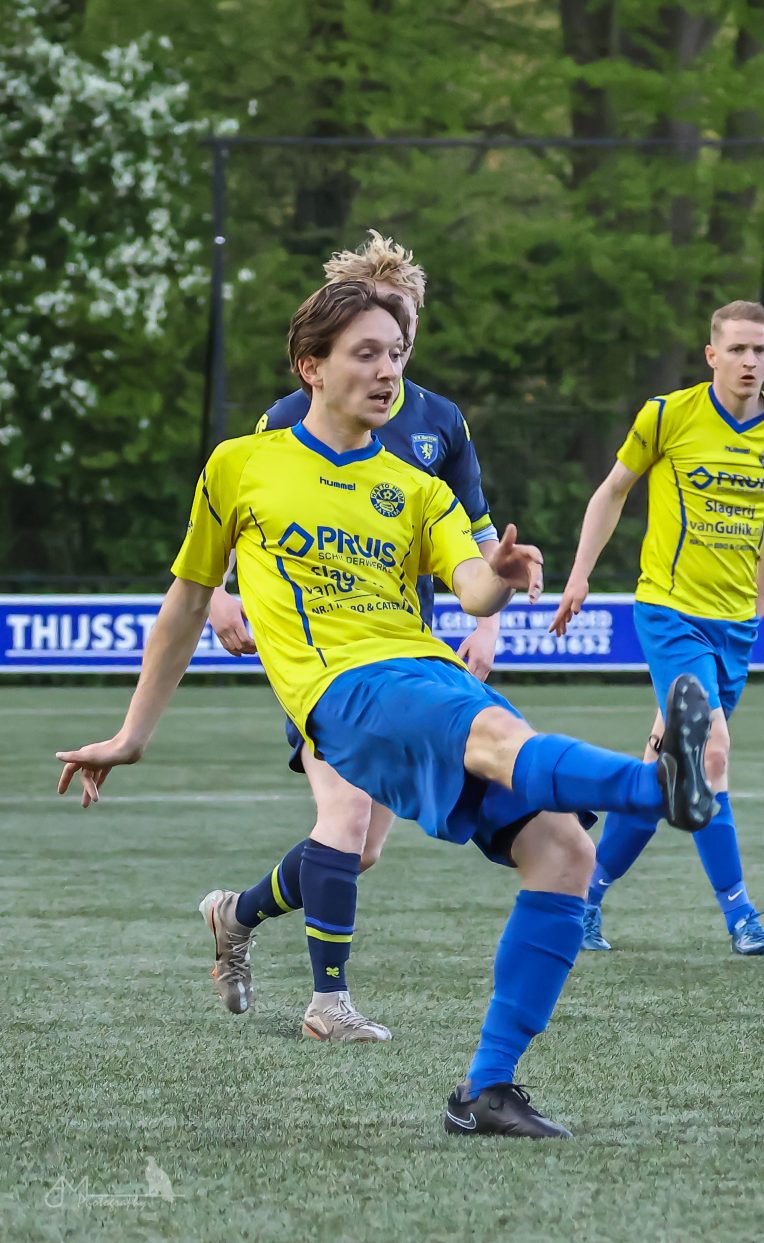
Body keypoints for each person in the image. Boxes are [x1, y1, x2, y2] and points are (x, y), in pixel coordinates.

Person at [56, 280, 715, 1137]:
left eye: (396, 355)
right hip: (343, 690)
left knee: (564, 850)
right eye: (365, 353)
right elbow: (185, 604)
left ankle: (487, 1091)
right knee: (491, 738)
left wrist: (502, 577)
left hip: (426, 671)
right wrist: (131, 735)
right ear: (311, 368)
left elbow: (470, 582)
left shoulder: (415, 485)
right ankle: (655, 784)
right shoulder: (241, 465)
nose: (387, 371)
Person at [201, 231, 502, 1043]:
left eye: (400, 333)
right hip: (324, 657)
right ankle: (327, 1004)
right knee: (342, 819)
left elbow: (476, 537)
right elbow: (243, 509)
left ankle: (236, 912)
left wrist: (488, 619)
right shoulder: (295, 416)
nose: (387, 354)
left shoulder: (440, 423)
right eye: (372, 336)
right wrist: (220, 594)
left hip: (408, 653)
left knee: (360, 849)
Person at [550, 300, 764, 955]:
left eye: (761, 350)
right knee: (711, 751)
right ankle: (741, 914)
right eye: (738, 349)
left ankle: (582, 897)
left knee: (663, 770)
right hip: (668, 610)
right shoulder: (666, 414)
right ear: (712, 354)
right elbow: (612, 490)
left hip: (734, 625)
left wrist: (762, 597)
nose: (750, 361)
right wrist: (580, 573)